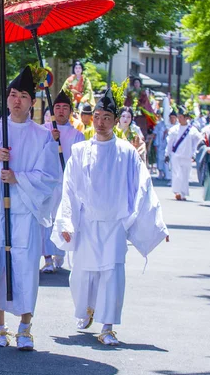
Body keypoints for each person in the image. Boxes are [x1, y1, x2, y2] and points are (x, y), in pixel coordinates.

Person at [52, 89, 169, 346]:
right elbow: (69, 188)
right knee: (81, 275)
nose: (101, 122)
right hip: (86, 223)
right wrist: (67, 222)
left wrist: (156, 224)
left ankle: (107, 326)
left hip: (114, 224)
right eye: (97, 116)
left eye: (107, 117)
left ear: (116, 121)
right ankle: (86, 310)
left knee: (112, 275)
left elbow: (142, 187)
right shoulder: (80, 150)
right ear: (92, 119)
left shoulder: (127, 152)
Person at [0, 66, 59, 351]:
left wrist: (18, 177)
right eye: (13, 95)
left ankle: (25, 327)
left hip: (24, 212)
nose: (17, 100)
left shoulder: (42, 136)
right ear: (7, 99)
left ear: (32, 102)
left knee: (26, 267)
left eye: (24, 96)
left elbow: (50, 177)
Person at [41, 90, 85, 273]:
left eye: (64, 107)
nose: (60, 111)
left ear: (70, 111)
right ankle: (47, 259)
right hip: (47, 183)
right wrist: (52, 140)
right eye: (57, 107)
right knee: (45, 220)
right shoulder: (44, 131)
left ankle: (60, 253)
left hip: (67, 183)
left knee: (63, 218)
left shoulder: (77, 135)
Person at [165, 106, 201, 201]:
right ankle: (178, 192)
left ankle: (183, 193)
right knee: (177, 174)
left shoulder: (192, 130)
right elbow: (170, 143)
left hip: (187, 156)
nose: (179, 119)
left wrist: (195, 153)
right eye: (179, 117)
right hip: (176, 155)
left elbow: (198, 140)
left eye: (181, 117)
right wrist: (167, 154)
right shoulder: (174, 129)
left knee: (185, 175)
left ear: (186, 118)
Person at [153, 110, 169, 180]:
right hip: (160, 145)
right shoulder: (159, 125)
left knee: (167, 160)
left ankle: (167, 174)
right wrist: (155, 144)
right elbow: (155, 134)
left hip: (167, 145)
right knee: (159, 159)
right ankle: (160, 173)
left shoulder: (170, 125)